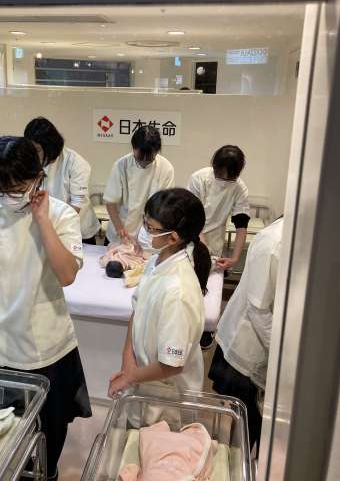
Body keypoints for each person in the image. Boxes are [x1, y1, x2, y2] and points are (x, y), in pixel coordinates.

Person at [0, 136, 91, 480]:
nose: (9, 197)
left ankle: (47, 474)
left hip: (46, 346)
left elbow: (67, 275)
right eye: (1, 189)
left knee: (50, 427)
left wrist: (43, 220)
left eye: (18, 188)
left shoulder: (61, 215)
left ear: (37, 177)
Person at [108, 188, 211, 399]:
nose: (143, 230)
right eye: (144, 222)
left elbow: (171, 365)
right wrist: (128, 359)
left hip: (168, 394)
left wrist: (130, 377)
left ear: (172, 238)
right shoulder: (156, 261)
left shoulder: (178, 292)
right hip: (142, 378)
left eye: (150, 227)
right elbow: (137, 311)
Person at [209, 217, 283, 453]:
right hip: (248, 347)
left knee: (261, 429)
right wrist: (285, 355)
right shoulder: (274, 243)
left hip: (271, 344)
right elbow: (259, 310)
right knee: (239, 429)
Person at [188, 145, 250, 349]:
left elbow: (241, 224)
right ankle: (187, 324)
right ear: (214, 166)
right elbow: (193, 217)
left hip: (214, 244)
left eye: (228, 177)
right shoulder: (199, 179)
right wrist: (202, 248)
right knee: (189, 284)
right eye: (220, 174)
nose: (223, 180)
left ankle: (206, 329)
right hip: (192, 239)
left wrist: (235, 257)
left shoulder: (239, 187)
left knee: (208, 288)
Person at [24, 117, 100, 244]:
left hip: (77, 230)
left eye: (37, 150)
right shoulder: (33, 161)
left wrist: (52, 229)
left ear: (50, 146)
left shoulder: (76, 163)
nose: (34, 154)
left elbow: (76, 205)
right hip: (45, 228)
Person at [104, 125, 175, 247]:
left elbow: (164, 206)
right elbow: (110, 202)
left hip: (149, 233)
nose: (143, 162)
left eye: (149, 159)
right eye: (140, 158)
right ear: (133, 148)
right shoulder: (121, 165)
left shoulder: (166, 168)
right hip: (121, 229)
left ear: (157, 151)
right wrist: (120, 228)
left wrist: (154, 232)